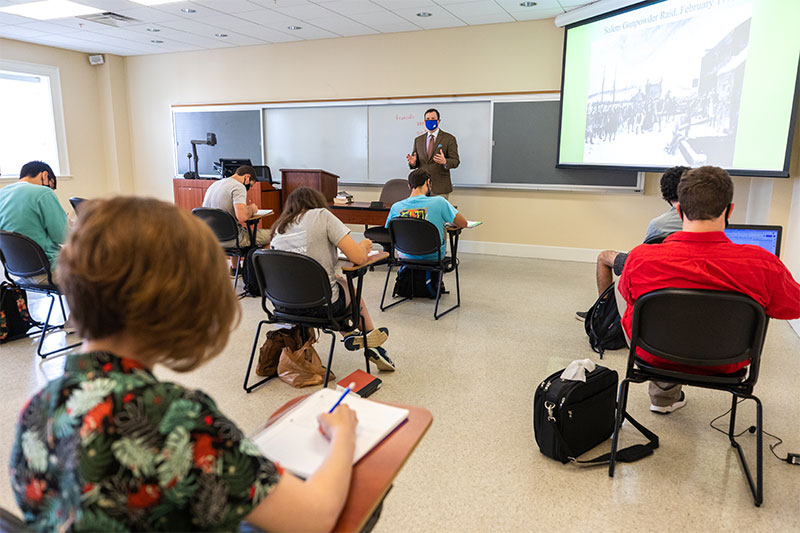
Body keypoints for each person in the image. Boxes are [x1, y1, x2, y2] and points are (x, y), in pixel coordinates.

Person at [10, 197, 358, 532]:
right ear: (177, 302)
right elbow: (316, 515)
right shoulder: (178, 419)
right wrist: (343, 433)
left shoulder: (36, 410)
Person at [618, 166, 800, 413]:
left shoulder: (640, 258)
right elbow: (792, 307)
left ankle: (663, 396)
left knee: (637, 307)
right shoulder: (762, 262)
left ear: (680, 210)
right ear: (729, 210)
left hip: (655, 355)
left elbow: (628, 297)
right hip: (728, 364)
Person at [270, 187, 395, 371]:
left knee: (335, 280)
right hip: (322, 307)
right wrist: (364, 246)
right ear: (316, 202)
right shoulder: (322, 216)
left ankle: (350, 335)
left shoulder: (278, 229)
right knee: (350, 290)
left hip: (284, 307)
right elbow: (358, 259)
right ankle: (371, 340)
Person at [576, 165, 687, 320]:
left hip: (658, 270)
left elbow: (644, 258)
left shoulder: (659, 224)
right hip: (688, 271)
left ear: (666, 194)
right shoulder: (712, 221)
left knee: (604, 256)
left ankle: (601, 315)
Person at [0, 161, 67, 284]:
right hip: (50, 270)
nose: (50, 190)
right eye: (51, 186)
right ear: (45, 175)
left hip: (17, 272)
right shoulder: (43, 192)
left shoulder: (2, 194)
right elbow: (63, 237)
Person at [386, 169, 467, 262]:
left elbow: (389, 229)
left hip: (405, 255)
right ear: (428, 182)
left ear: (409, 186)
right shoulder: (439, 202)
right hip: (433, 255)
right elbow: (463, 223)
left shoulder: (396, 207)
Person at [202, 164, 270, 247]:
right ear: (247, 177)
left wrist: (246, 208)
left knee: (235, 228)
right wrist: (251, 209)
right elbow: (242, 217)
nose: (249, 188)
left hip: (211, 238)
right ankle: (259, 259)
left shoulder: (214, 185)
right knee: (272, 234)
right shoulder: (239, 187)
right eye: (250, 185)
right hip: (232, 239)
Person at [406, 108, 460, 198]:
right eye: (427, 119)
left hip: (440, 188)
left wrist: (445, 161)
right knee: (422, 212)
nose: (430, 121)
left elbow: (455, 161)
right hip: (421, 187)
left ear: (438, 121)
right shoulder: (418, 140)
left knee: (438, 212)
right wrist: (413, 163)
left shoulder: (449, 139)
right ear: (424, 121)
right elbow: (416, 162)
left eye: (433, 119)